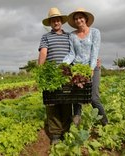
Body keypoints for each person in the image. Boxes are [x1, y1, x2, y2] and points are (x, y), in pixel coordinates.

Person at [63, 8, 108, 126]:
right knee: (76, 99)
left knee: (94, 98)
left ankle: (105, 123)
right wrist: (63, 65)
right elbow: (72, 53)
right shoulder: (72, 35)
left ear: (86, 19)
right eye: (76, 18)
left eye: (80, 18)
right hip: (77, 69)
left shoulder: (95, 32)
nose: (78, 20)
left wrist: (91, 68)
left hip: (92, 68)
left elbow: (95, 52)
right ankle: (76, 124)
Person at [38, 7, 73, 144]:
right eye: (53, 20)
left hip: (66, 75)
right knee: (52, 104)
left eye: (57, 19)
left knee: (66, 103)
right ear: (50, 23)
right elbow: (43, 53)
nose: (56, 22)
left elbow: (76, 52)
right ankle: (55, 134)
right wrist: (41, 72)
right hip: (50, 75)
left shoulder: (69, 36)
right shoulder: (45, 37)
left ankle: (66, 130)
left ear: (61, 22)